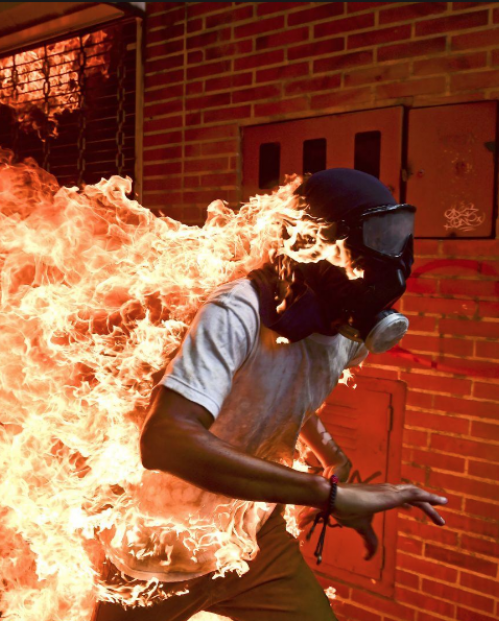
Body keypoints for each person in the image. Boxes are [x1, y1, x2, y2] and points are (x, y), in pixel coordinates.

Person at [93, 169, 448, 621]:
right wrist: (328, 495)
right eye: (376, 236)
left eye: (398, 236)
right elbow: (166, 438)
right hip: (162, 554)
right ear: (311, 243)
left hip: (254, 539)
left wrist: (332, 460)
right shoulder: (237, 311)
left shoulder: (347, 333)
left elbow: (285, 395)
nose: (389, 258)